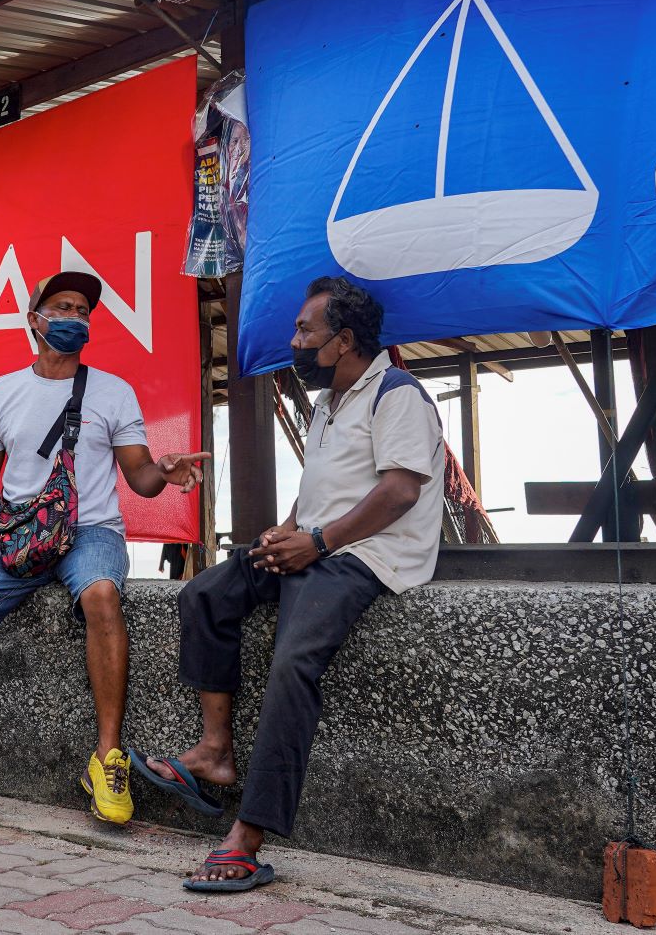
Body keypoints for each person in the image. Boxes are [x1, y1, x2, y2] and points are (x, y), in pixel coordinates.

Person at [135, 276, 444, 891]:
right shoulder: (331, 399)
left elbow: (400, 491)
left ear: (344, 340)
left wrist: (319, 543)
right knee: (206, 595)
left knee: (292, 661)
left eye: (305, 331)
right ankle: (214, 753)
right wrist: (287, 531)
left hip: (366, 556)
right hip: (318, 543)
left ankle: (248, 837)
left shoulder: (397, 394)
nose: (295, 341)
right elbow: (323, 489)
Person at [0, 270, 209, 825]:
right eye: (63, 307)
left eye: (83, 310)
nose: (75, 317)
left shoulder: (113, 391)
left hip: (91, 531)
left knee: (102, 596)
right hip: (23, 536)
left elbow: (140, 476)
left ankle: (107, 760)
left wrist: (165, 472)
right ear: (35, 320)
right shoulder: (0, 393)